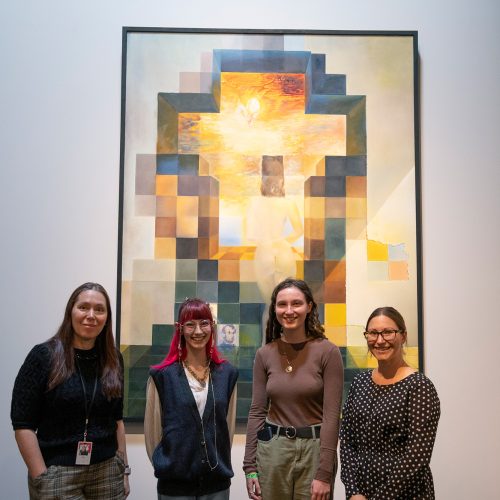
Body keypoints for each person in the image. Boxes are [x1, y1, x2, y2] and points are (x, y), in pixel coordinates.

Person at [11, 282, 130, 499]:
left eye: (99, 309)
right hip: (58, 474)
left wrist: (124, 470)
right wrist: (41, 477)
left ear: (107, 318)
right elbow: (23, 425)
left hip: (107, 471)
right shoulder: (43, 357)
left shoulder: (113, 359)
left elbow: (117, 419)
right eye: (83, 307)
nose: (91, 315)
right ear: (70, 312)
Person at [243, 278, 344, 500]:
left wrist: (325, 472)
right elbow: (257, 411)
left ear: (309, 307)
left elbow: (331, 416)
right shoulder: (264, 354)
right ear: (275, 309)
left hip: (314, 451)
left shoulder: (328, 352)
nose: (289, 310)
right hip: (273, 451)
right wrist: (249, 467)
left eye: (296, 303)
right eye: (282, 304)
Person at [340, 307, 441, 499]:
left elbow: (417, 457)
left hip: (404, 493)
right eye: (373, 333)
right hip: (361, 493)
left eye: (388, 332)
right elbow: (347, 441)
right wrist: (353, 491)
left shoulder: (419, 387)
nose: (379, 340)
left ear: (403, 336)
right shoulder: (359, 382)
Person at [144, 298, 239, 500]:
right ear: (179, 329)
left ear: (212, 327)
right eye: (190, 324)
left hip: (217, 485)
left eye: (204, 323)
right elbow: (152, 434)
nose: (198, 331)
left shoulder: (228, 374)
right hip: (174, 486)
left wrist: (215, 456)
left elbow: (226, 429)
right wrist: (168, 464)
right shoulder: (161, 376)